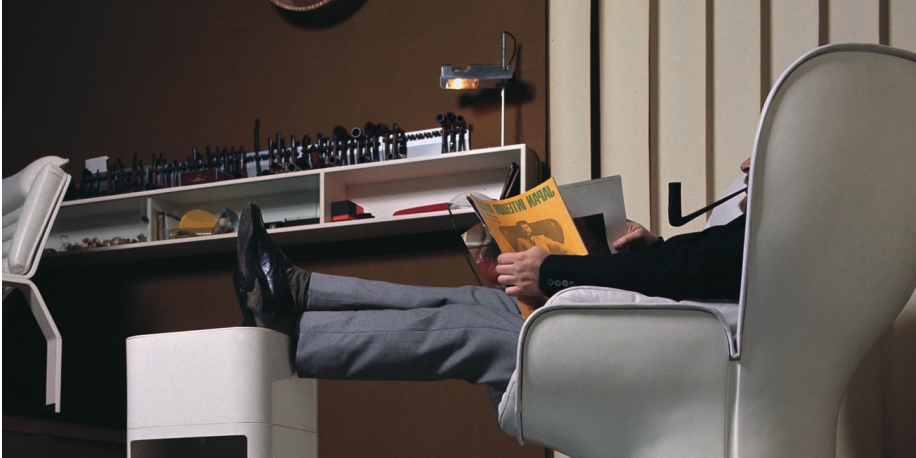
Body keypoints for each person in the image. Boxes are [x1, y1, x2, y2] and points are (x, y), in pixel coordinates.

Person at [234, 159, 751, 408]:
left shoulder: (779, 224)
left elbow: (693, 272)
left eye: (761, 157)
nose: (747, 165)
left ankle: (291, 336)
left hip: (661, 344)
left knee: (468, 331)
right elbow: (697, 268)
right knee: (466, 300)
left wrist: (549, 272)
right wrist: (655, 248)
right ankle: (296, 291)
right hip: (634, 319)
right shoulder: (760, 216)